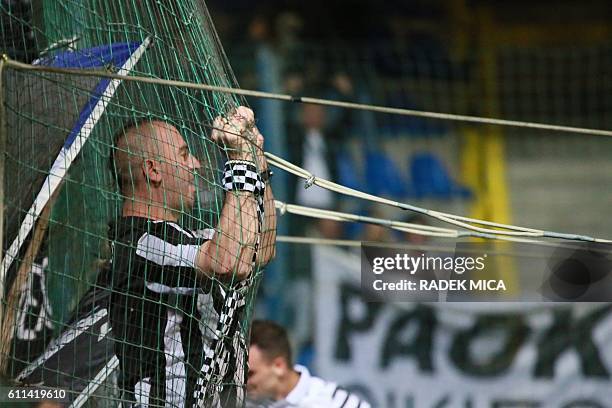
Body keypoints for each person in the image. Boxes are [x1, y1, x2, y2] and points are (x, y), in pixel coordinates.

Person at [109, 106, 276, 407]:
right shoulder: (141, 243)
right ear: (153, 170)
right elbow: (228, 262)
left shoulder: (185, 239)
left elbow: (261, 248)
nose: (197, 164)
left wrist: (255, 157)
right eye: (185, 155)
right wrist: (238, 159)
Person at [247, 320, 370, 408]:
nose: (244, 383)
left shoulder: (330, 401)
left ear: (279, 366)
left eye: (250, 374)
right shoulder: (243, 401)